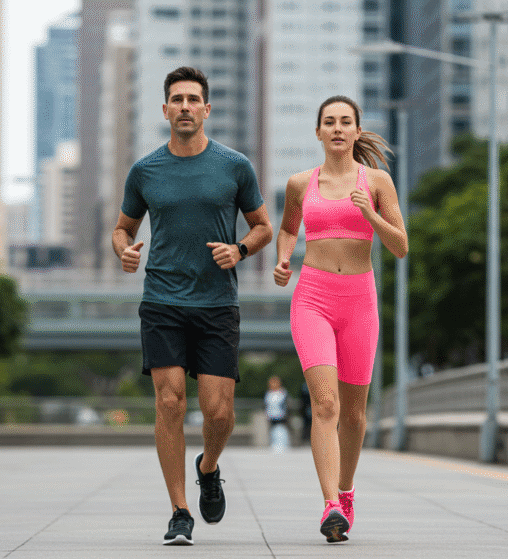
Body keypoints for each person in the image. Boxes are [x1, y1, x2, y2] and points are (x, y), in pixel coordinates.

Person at [113, 66, 272, 546]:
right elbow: (123, 227)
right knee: (169, 401)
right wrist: (122, 249)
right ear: (165, 110)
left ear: (207, 109)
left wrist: (240, 250)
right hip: (162, 299)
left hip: (217, 303)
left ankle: (208, 466)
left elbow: (263, 225)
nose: (185, 106)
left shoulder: (234, 166)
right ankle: (179, 511)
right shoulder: (145, 171)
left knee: (219, 412)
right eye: (176, 100)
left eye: (193, 99)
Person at [273, 95, 408, 543]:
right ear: (317, 132)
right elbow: (290, 227)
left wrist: (369, 212)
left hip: (359, 302)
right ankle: (331, 504)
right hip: (312, 297)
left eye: (345, 122)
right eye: (328, 122)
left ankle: (347, 492)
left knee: (353, 413)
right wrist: (282, 259)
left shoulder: (378, 181)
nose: (336, 129)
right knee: (325, 404)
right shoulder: (299, 183)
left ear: (355, 130)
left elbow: (401, 246)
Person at [264, 375, 290, 452]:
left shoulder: (283, 393)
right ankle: (274, 444)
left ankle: (283, 444)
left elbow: (285, 405)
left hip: (281, 416)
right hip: (272, 415)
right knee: (273, 430)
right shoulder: (268, 393)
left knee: (281, 430)